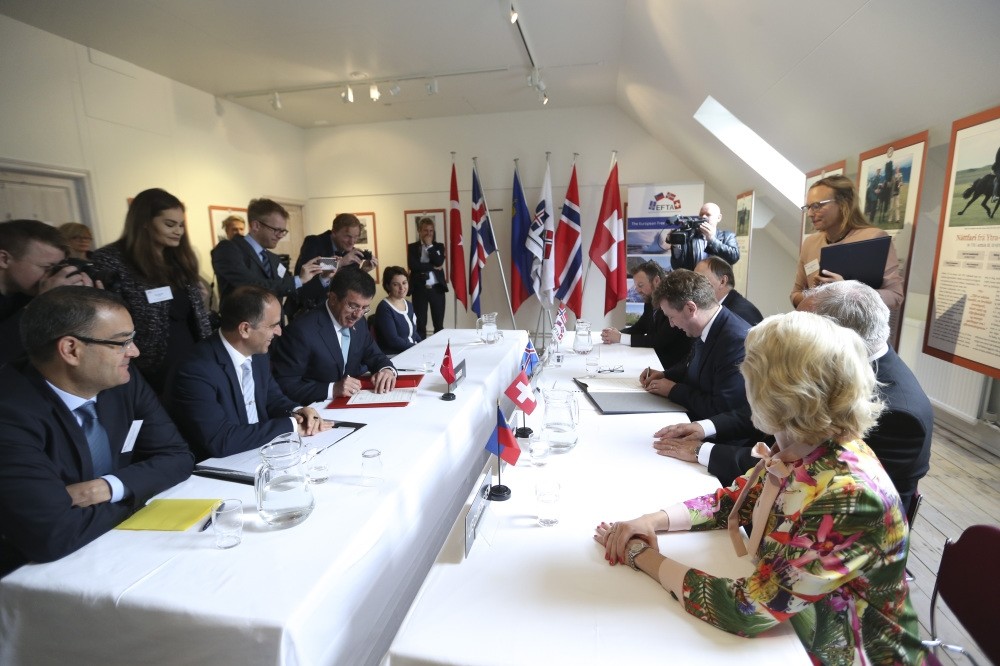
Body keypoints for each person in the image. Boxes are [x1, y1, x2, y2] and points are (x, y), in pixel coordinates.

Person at [595, 311, 929, 665]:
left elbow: (745, 608)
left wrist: (640, 555)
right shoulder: (806, 444)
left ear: (781, 394)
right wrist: (652, 520)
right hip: (802, 628)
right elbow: (735, 499)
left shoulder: (848, 495)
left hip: (850, 652)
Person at [654, 280, 933, 510]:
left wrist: (704, 452)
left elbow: (804, 471)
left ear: (832, 337)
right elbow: (773, 412)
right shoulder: (838, 368)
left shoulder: (896, 413)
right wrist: (703, 429)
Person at [0, 287, 194, 577]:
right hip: (39, 579)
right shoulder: (10, 412)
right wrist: (141, 494)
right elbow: (53, 534)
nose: (135, 351)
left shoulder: (123, 380)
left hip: (113, 546)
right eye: (122, 342)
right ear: (71, 350)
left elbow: (179, 456)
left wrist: (107, 487)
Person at [166, 286, 329, 461]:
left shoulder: (257, 354)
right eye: (273, 325)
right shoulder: (195, 370)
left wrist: (298, 412)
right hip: (219, 467)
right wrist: (291, 425)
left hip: (260, 452)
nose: (279, 332)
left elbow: (272, 398)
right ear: (245, 329)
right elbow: (220, 440)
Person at [91, 188, 212, 394]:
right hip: (147, 366)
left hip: (193, 357)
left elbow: (193, 314)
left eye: (181, 225)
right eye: (169, 224)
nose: (179, 232)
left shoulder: (179, 259)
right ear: (145, 222)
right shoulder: (111, 260)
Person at [272, 267, 396, 404]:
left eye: (365, 308)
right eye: (353, 306)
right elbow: (285, 384)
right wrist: (332, 389)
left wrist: (387, 371)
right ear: (332, 298)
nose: (358, 315)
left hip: (352, 404)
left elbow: (375, 355)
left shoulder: (359, 323)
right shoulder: (301, 331)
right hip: (315, 411)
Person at [640, 269, 750, 420]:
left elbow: (721, 409)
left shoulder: (735, 342)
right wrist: (665, 375)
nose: (671, 325)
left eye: (671, 317)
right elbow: (692, 364)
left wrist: (673, 390)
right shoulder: (705, 324)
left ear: (691, 308)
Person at [791, 174, 904, 310]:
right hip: (817, 329)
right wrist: (816, 296)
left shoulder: (874, 238)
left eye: (816, 206)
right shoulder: (810, 243)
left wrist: (848, 293)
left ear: (843, 203)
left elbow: (895, 296)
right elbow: (795, 294)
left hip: (855, 329)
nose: (810, 213)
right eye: (808, 207)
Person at [1, 220, 95, 364]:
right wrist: (43, 303)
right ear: (4, 259)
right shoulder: (37, 295)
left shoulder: (28, 291)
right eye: (47, 267)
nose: (53, 276)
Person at [210, 198, 324, 307]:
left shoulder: (274, 259)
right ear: (256, 226)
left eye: (283, 231)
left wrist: (323, 278)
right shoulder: (227, 249)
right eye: (276, 230)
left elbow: (293, 292)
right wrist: (298, 280)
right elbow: (249, 286)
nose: (280, 236)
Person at [600, 260, 691, 369]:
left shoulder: (672, 303)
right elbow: (641, 327)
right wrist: (614, 333)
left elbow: (658, 340)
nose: (637, 290)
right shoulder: (650, 299)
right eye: (636, 286)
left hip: (670, 366)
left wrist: (620, 338)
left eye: (641, 285)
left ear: (656, 280)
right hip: (653, 358)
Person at [295, 212, 378, 276]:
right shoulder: (313, 242)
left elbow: (350, 286)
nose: (352, 242)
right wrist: (339, 263)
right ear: (334, 231)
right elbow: (306, 269)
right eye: (347, 236)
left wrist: (363, 271)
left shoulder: (352, 254)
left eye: (356, 237)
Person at [406, 216, 447, 337]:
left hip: (437, 289)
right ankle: (421, 350)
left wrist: (429, 246)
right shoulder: (412, 247)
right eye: (425, 230)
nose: (428, 233)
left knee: (439, 324)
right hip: (419, 289)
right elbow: (413, 266)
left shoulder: (439, 246)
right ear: (419, 231)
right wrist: (432, 267)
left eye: (431, 231)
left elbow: (439, 261)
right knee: (420, 324)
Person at [668, 202, 740, 271]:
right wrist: (676, 245)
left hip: (716, 283)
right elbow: (676, 266)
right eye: (701, 214)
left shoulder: (728, 236)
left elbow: (733, 258)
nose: (703, 217)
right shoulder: (689, 236)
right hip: (694, 282)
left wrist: (712, 239)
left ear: (719, 218)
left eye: (708, 214)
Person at [694, 256, 763, 325]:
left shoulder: (738, 315)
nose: (694, 285)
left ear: (722, 281)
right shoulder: (720, 308)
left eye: (700, 279)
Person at [373, 266, 421, 354]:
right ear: (388, 286)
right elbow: (393, 341)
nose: (402, 287)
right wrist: (417, 347)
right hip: (395, 355)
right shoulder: (384, 308)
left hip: (411, 351)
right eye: (396, 284)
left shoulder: (409, 305)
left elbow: (413, 333)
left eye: (404, 283)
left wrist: (423, 344)